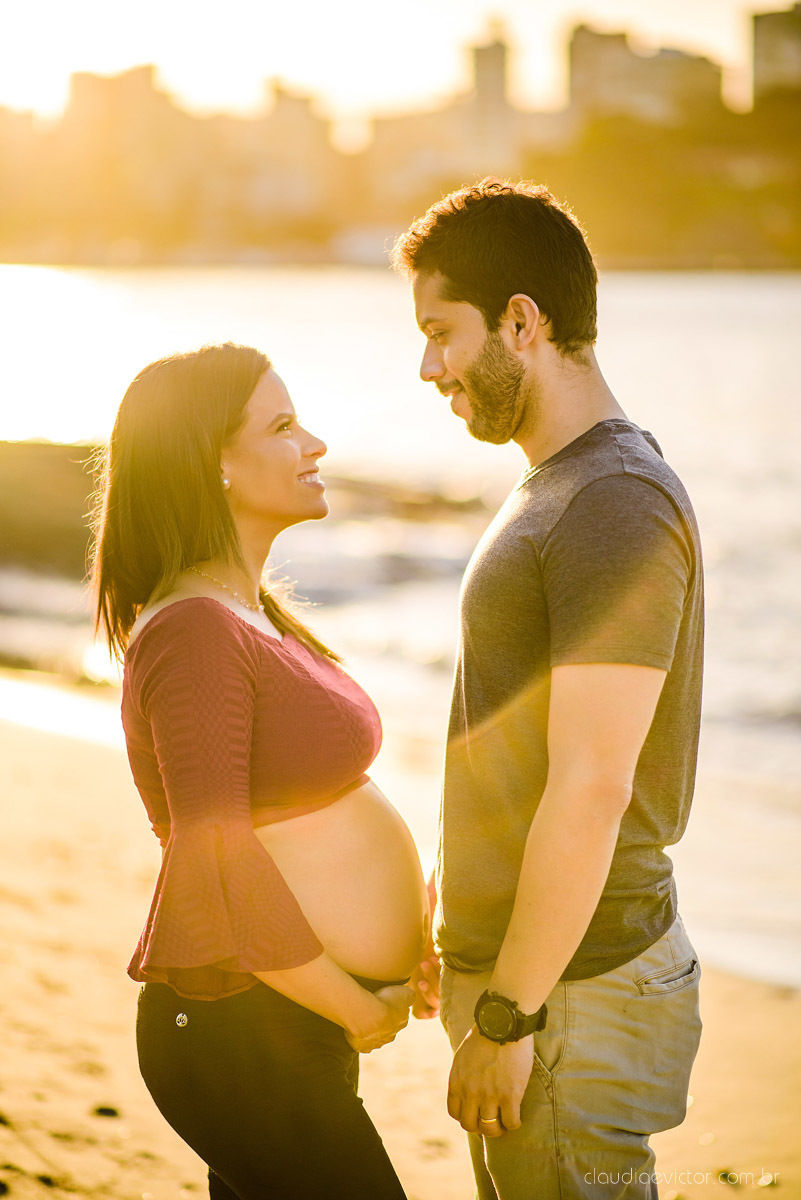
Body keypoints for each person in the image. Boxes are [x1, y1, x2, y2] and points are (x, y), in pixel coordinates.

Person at [392, 180, 704, 1200]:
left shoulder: (611, 501)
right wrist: (460, 918)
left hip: (572, 991)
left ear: (521, 322)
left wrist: (509, 1012)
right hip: (537, 977)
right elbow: (513, 736)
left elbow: (592, 783)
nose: (428, 365)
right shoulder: (559, 487)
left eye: (442, 331)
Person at [92, 342, 429, 1200]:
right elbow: (212, 858)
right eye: (283, 426)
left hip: (280, 1022)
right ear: (217, 466)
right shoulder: (195, 630)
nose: (315, 444)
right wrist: (360, 1006)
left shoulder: (248, 616)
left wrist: (400, 952)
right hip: (237, 1028)